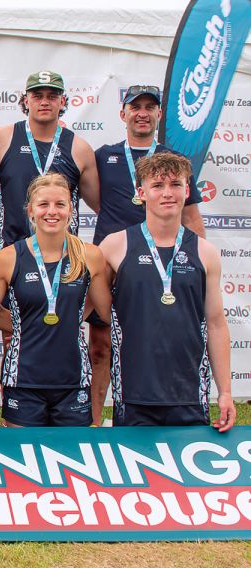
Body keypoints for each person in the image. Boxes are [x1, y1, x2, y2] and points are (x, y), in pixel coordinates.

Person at [87, 84, 206, 424]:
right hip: (114, 264)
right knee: (101, 347)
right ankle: (95, 423)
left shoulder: (174, 162)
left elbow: (192, 216)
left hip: (163, 266)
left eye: (149, 107)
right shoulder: (103, 156)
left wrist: (196, 267)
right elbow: (99, 202)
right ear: (122, 113)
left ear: (157, 114)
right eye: (134, 106)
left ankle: (164, 412)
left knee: (158, 341)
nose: (142, 112)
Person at [99, 153, 234, 431]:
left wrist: (226, 392)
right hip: (133, 392)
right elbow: (94, 312)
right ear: (142, 193)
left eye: (175, 185)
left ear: (187, 190)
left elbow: (217, 324)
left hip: (188, 393)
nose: (167, 193)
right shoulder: (114, 246)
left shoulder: (205, 252)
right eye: (158, 185)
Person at [0, 173, 110, 427]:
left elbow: (103, 310)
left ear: (71, 209)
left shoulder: (90, 256)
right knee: (21, 459)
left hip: (73, 380)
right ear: (30, 210)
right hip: (22, 379)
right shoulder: (8, 258)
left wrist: (70, 320)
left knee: (72, 458)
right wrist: (24, 325)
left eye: (60, 204)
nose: (52, 212)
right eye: (43, 205)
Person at [0, 70, 99, 251]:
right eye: (37, 96)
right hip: (12, 248)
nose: (44, 102)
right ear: (26, 101)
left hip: (63, 252)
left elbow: (99, 205)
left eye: (52, 96)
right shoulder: (1, 139)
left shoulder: (80, 149)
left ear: (62, 102)